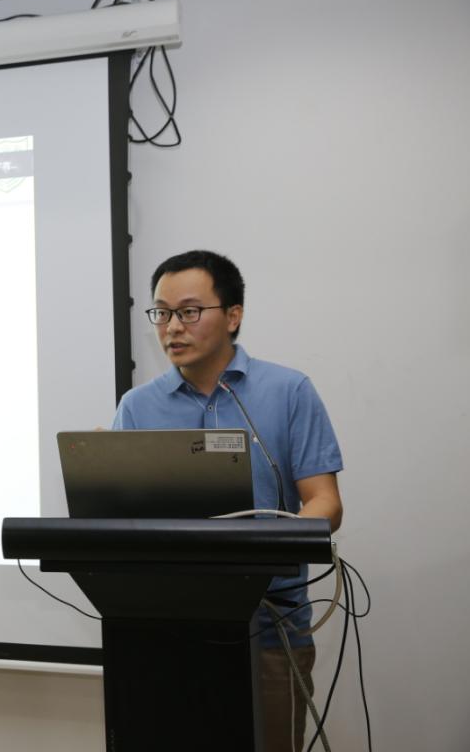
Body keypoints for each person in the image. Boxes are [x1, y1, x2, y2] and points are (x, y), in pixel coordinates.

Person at [112, 249, 343, 752]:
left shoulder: (288, 391)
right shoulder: (137, 407)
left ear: (233, 315)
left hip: (271, 628)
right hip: (166, 632)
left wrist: (266, 549)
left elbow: (325, 502)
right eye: (162, 313)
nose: (173, 327)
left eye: (189, 311)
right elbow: (119, 517)